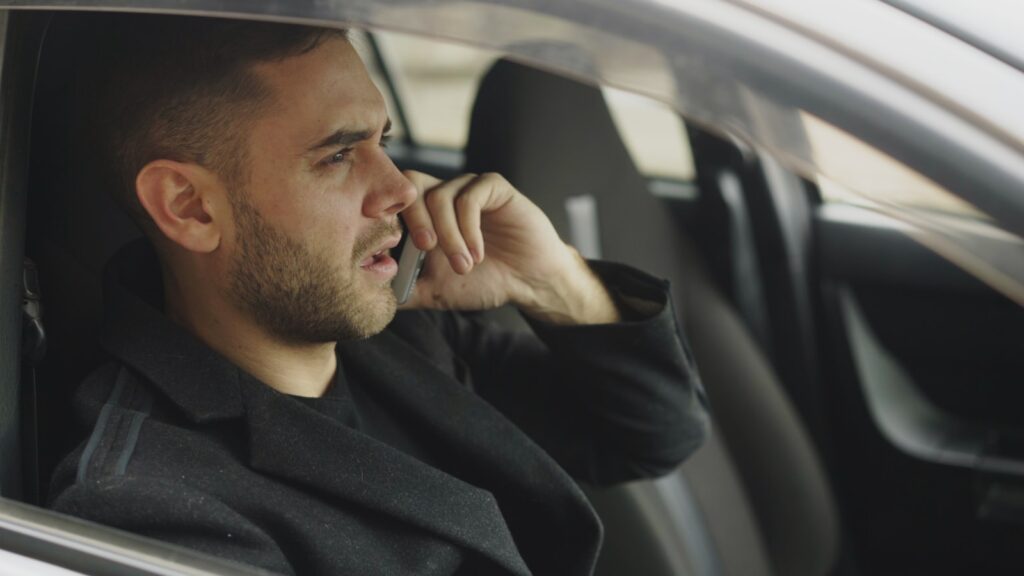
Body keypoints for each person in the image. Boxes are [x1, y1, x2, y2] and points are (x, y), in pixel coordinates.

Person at [47, 13, 708, 576]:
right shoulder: (149, 508)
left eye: (383, 141)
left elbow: (652, 436)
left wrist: (553, 282)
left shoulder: (400, 334)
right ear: (190, 207)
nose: (400, 188)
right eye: (338, 156)